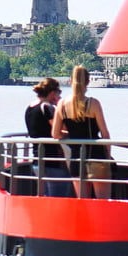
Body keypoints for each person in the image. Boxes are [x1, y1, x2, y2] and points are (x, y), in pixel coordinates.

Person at [52, 64, 112, 199]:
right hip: (96, 156)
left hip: (76, 158)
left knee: (82, 202)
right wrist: (107, 155)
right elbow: (105, 134)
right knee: (102, 202)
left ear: (70, 81)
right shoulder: (94, 104)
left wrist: (72, 135)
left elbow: (55, 134)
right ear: (88, 82)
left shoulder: (61, 104)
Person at [22, 78, 71, 196]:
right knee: (58, 199)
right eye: (59, 93)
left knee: (44, 198)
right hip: (53, 162)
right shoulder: (47, 107)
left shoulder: (30, 108)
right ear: (53, 93)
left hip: (37, 161)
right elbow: (58, 131)